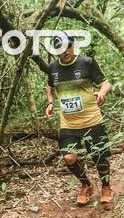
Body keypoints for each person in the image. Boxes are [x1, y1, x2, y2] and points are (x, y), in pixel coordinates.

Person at [45, 35, 112, 206]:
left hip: (92, 119)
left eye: (67, 47)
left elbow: (105, 83)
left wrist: (103, 92)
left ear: (73, 46)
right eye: (60, 49)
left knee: (99, 156)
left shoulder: (86, 62)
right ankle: (85, 185)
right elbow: (50, 86)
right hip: (68, 123)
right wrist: (51, 103)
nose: (64, 52)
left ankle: (106, 187)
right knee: (69, 158)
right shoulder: (53, 67)